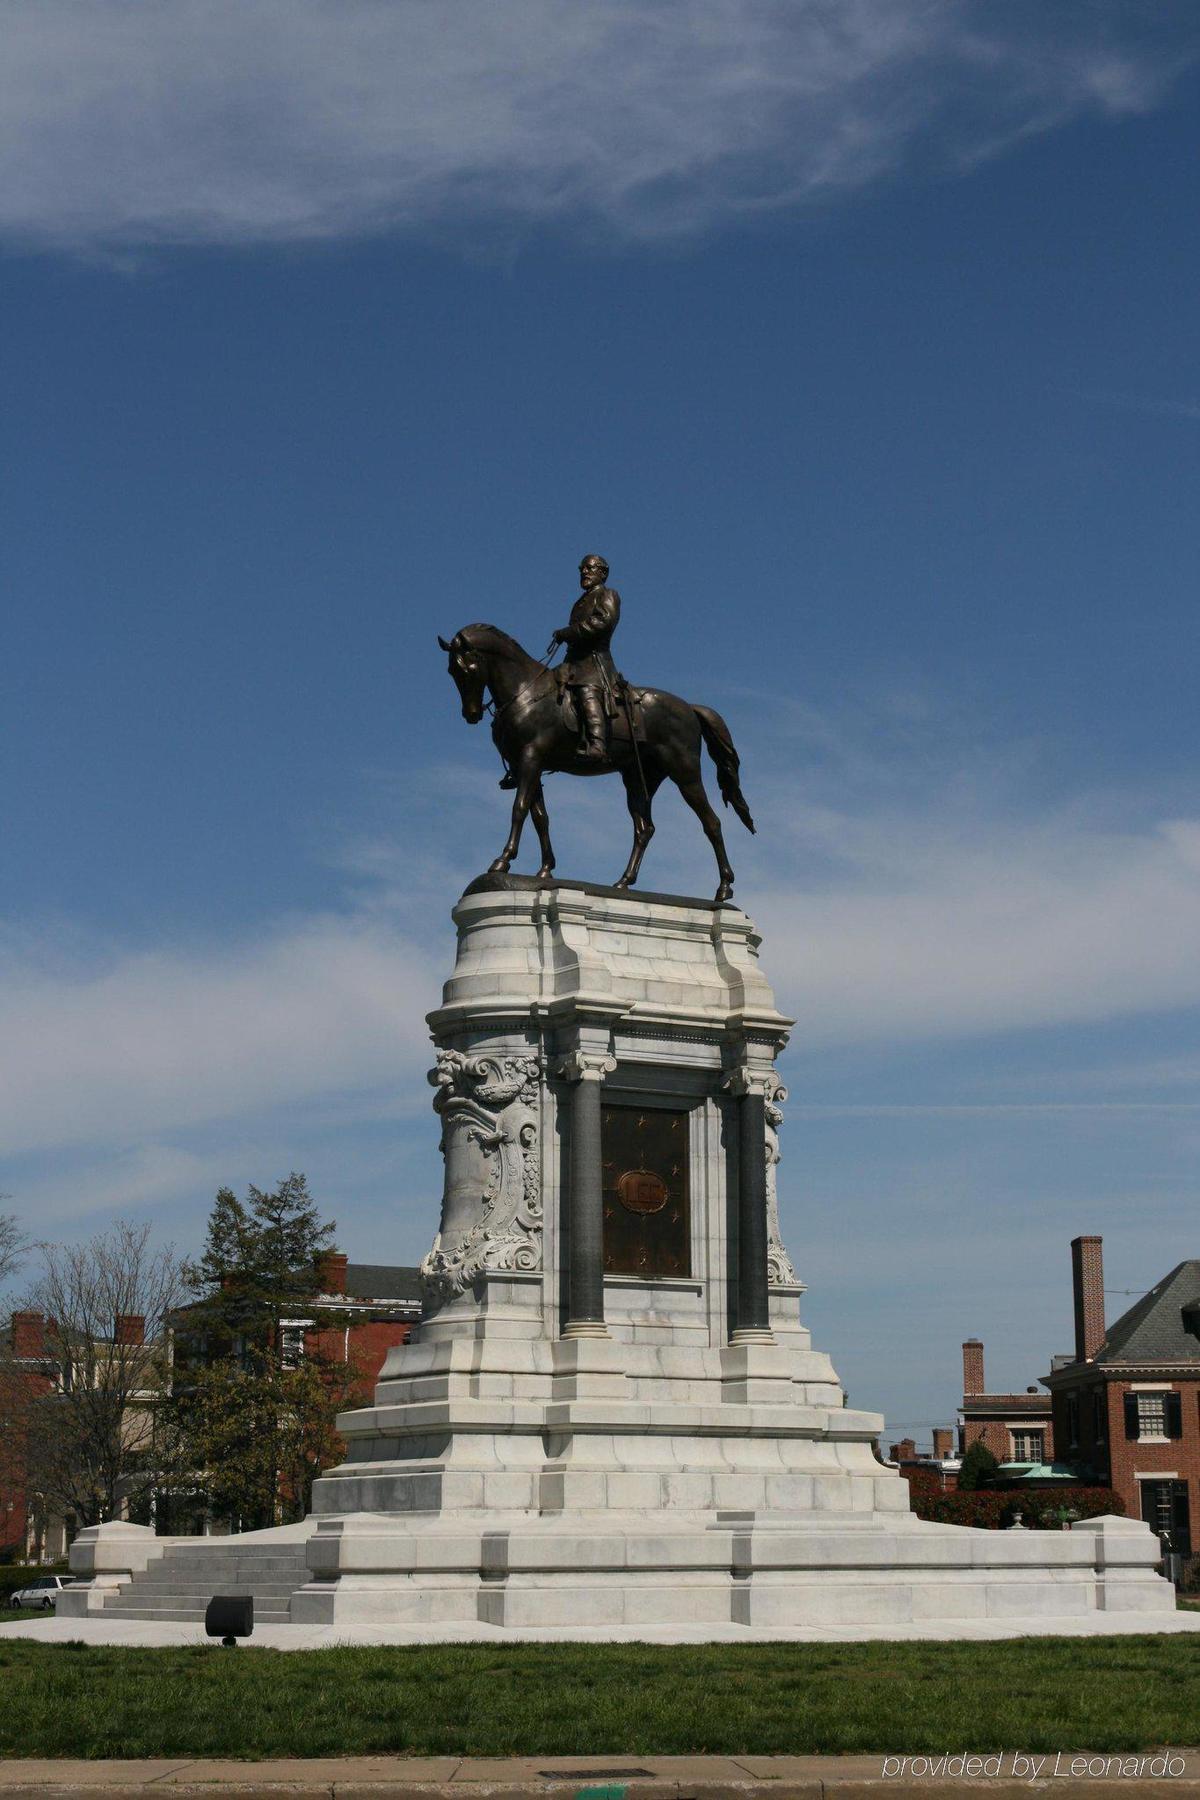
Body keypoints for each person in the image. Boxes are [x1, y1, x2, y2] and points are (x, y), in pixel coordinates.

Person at [499, 554, 623, 787]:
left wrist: (568, 632)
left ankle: (597, 744)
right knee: (546, 690)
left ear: (603, 573)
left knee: (587, 692)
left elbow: (602, 623)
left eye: (590, 568)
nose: (584, 572)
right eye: (581, 568)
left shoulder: (608, 595)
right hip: (573, 662)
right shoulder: (580, 602)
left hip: (594, 664)